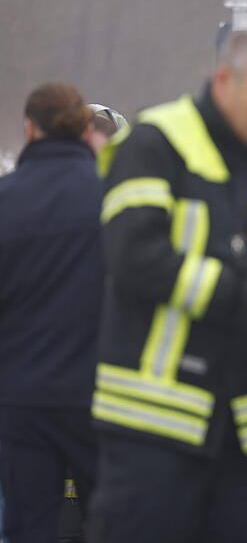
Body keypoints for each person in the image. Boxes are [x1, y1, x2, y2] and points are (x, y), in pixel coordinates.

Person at [89, 30, 247, 543]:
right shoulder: (156, 142)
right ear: (225, 82)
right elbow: (133, 257)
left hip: (243, 429)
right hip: (151, 424)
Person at [0, 83, 103, 541]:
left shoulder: (7, 197)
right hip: (102, 392)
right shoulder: (113, 198)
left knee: (30, 524)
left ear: (29, 128)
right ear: (86, 131)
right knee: (109, 520)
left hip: (22, 394)